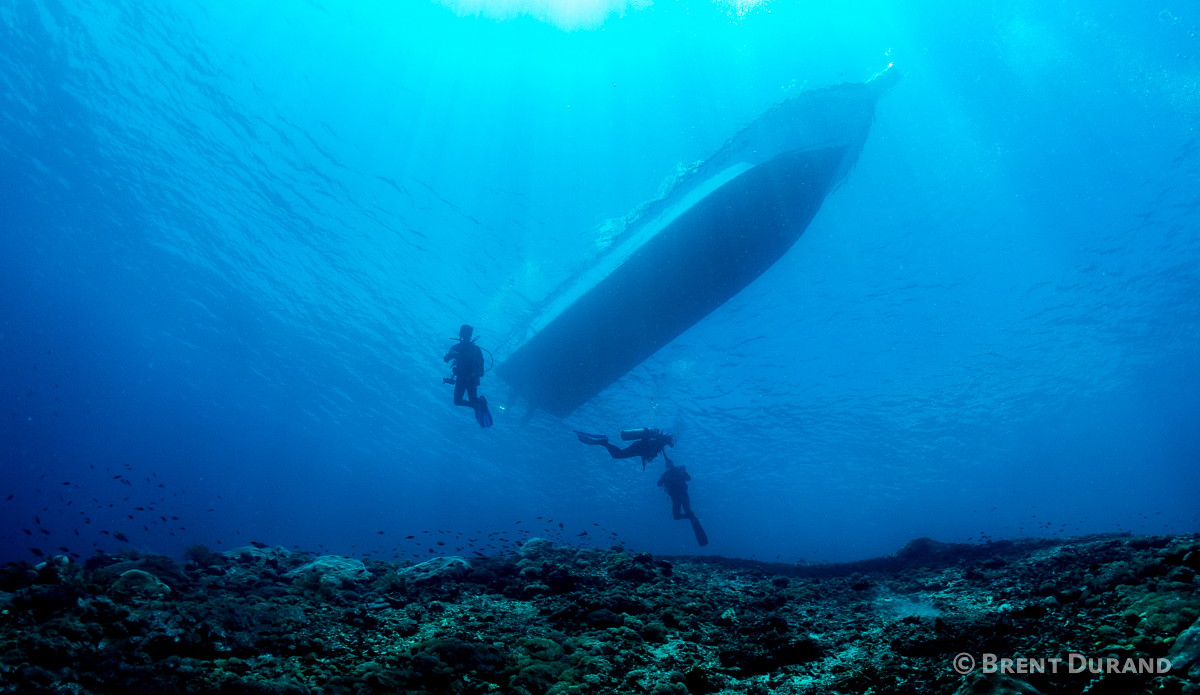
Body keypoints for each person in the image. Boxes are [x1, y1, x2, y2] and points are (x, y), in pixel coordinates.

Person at [443, 324, 491, 428]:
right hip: (466, 378)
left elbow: (481, 370)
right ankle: (476, 404)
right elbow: (446, 359)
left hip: (468, 378)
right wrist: (451, 355)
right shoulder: (461, 348)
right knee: (461, 401)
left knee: (460, 401)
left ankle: (477, 404)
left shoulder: (469, 349)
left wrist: (451, 355)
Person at [657, 460, 708, 546]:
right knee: (676, 516)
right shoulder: (665, 474)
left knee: (687, 511)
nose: (669, 465)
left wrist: (683, 471)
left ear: (672, 464)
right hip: (675, 498)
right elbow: (658, 484)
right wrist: (663, 478)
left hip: (683, 495)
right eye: (667, 464)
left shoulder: (679, 470)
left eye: (670, 463)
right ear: (666, 466)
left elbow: (688, 478)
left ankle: (692, 518)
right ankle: (691, 517)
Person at [573, 428, 675, 471]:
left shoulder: (660, 439)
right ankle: (604, 441)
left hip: (639, 447)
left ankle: (604, 442)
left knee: (618, 454)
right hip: (639, 448)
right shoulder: (662, 441)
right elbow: (651, 452)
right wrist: (651, 456)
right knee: (618, 454)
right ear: (670, 439)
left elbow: (650, 449)